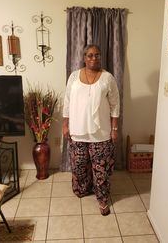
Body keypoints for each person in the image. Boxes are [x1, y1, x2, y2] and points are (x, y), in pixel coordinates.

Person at [62, 44, 120, 216]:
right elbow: (67, 101)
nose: (94, 58)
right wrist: (65, 124)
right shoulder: (73, 76)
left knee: (101, 169)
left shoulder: (107, 78)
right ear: (84, 57)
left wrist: (114, 128)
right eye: (90, 55)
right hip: (78, 131)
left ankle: (102, 199)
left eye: (97, 55)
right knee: (79, 165)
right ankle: (82, 188)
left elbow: (115, 104)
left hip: (101, 133)